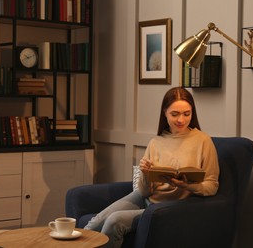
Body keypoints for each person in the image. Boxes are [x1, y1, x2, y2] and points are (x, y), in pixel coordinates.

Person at [84, 87, 219, 248]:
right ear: (165, 113)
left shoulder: (203, 141)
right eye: (174, 114)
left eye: (187, 114)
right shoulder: (156, 142)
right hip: (145, 197)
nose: (181, 120)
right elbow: (144, 192)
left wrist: (188, 185)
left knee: (114, 221)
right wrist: (145, 174)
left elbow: (212, 186)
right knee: (95, 222)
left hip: (168, 207)